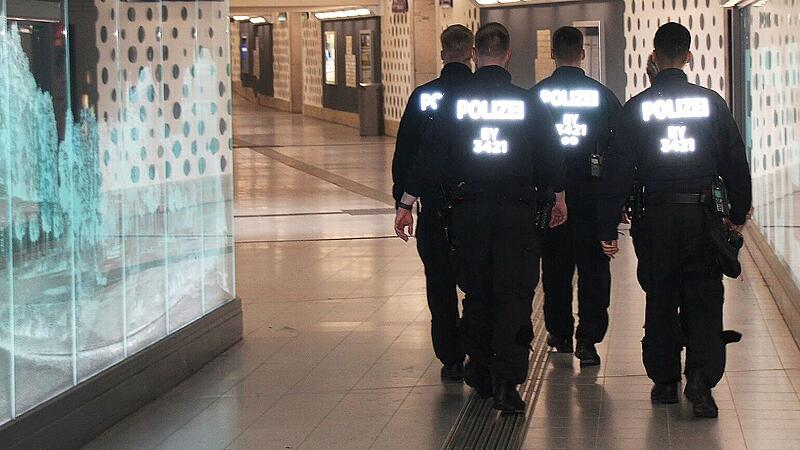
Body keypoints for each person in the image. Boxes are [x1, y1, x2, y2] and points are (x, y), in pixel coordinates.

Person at [395, 22, 567, 413]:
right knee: (514, 296)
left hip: (468, 215)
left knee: (477, 294)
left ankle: (481, 372)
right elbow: (553, 163)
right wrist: (558, 198)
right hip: (517, 217)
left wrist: (405, 204)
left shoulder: (452, 104)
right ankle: (508, 381)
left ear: (476, 54)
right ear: (507, 55)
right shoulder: (529, 104)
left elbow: (429, 161)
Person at [597, 22, 751, 418]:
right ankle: (701, 379)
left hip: (654, 220)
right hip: (702, 218)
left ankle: (665, 381)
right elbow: (734, 160)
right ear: (688, 56)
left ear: (653, 55)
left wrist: (606, 227)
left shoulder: (636, 109)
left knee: (661, 296)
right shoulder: (711, 103)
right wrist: (737, 213)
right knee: (703, 296)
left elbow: (616, 172)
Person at [531, 26, 622, 366]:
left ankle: (559, 333)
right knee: (594, 269)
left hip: (551, 198)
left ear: (552, 54)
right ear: (582, 54)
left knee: (555, 268)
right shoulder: (602, 96)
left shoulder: (537, 96)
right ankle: (589, 339)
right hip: (593, 197)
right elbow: (619, 151)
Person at [391, 24, 474, 382]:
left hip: (435, 209)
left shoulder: (423, 97)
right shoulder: (484, 94)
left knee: (439, 285)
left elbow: (406, 155)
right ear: (471, 53)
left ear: (442, 54)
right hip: (476, 208)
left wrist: (403, 202)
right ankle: (477, 345)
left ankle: (450, 357)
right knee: (478, 281)